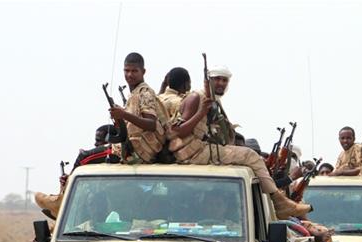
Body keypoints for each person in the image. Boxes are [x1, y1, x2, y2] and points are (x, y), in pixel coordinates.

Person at [168, 64, 310, 219]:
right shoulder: (196, 98)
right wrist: (201, 112)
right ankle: (279, 201)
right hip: (193, 152)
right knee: (250, 155)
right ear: (208, 80)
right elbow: (178, 130)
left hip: (201, 149)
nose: (221, 83)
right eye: (217, 79)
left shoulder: (213, 100)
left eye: (224, 80)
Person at [109, 52, 168, 163]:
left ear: (143, 72)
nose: (130, 75)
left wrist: (124, 114)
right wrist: (119, 118)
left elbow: (151, 124)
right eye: (126, 70)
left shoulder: (144, 93)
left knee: (84, 157)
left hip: (140, 153)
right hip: (130, 150)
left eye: (134, 71)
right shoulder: (134, 94)